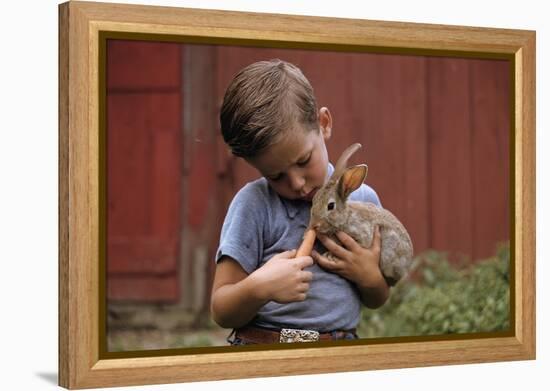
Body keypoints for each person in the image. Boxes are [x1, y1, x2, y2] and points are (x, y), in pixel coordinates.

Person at [211, 59, 389, 345]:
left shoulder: (362, 199)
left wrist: (369, 276)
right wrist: (259, 288)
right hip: (264, 348)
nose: (296, 183)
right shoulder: (254, 205)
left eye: (304, 161)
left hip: (338, 351)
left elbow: (377, 298)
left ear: (324, 124)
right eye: (275, 175)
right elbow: (221, 309)